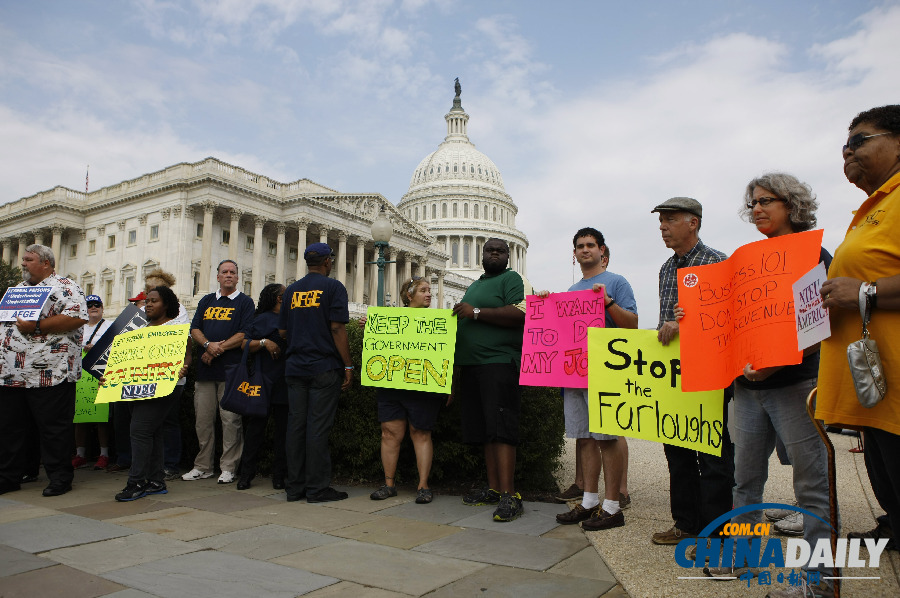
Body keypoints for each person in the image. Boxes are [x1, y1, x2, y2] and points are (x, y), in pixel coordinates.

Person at [686, 174, 833, 591]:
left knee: (811, 487)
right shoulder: (744, 258)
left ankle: (818, 580)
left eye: (767, 201)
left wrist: (775, 365)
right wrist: (691, 319)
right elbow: (729, 320)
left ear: (793, 204)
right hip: (748, 391)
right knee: (745, 480)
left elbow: (817, 324)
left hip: (794, 387)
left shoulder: (813, 254)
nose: (757, 209)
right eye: (752, 203)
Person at [816, 105, 900, 598]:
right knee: (887, 484)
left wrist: (864, 293)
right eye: (844, 145)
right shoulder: (871, 209)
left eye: (860, 140)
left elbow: (866, 287)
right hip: (876, 390)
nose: (848, 151)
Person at [650, 197, 735, 545]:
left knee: (713, 452)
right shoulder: (666, 269)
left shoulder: (717, 263)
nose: (663, 227)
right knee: (677, 448)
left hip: (712, 372)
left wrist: (683, 327)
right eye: (661, 222)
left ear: (693, 223)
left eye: (670, 220)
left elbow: (728, 320)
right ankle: (685, 522)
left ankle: (716, 529)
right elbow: (664, 324)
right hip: (674, 374)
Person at [553, 228, 638, 531]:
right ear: (574, 254)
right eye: (580, 246)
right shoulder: (572, 289)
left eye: (590, 245)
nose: (585, 250)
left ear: (602, 250)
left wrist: (609, 303)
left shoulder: (617, 282)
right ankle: (589, 501)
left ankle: (612, 505)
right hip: (575, 372)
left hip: (604, 370)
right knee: (585, 437)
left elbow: (632, 325)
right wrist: (545, 305)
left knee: (607, 437)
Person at [0, 244, 87, 497]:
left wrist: (37, 326)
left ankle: (60, 478)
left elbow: (77, 317)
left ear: (46, 263)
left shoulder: (65, 286)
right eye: (23, 259)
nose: (23, 263)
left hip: (51, 371)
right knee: (10, 428)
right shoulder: (16, 291)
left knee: (53, 429)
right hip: (12, 373)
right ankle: (9, 476)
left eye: (28, 259)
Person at [452, 238, 529, 522]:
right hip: (473, 366)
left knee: (502, 428)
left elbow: (519, 314)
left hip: (498, 363)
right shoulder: (476, 284)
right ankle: (495, 489)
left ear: (508, 256)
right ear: (482, 254)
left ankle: (510, 495)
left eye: (500, 251)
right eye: (490, 251)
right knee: (486, 430)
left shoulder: (512, 279)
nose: (494, 254)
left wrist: (474, 312)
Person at [279, 243, 353, 503]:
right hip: (323, 367)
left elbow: (283, 332)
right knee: (318, 428)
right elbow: (337, 329)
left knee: (296, 428)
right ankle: (317, 488)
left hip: (295, 367)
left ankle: (295, 488)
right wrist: (348, 365)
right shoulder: (334, 288)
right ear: (327, 262)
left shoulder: (291, 291)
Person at [363, 277, 445, 504]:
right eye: (423, 290)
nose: (429, 294)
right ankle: (388, 484)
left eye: (429, 290)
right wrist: (370, 327)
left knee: (421, 433)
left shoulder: (438, 321)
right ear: (409, 295)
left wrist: (450, 387)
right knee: (389, 434)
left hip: (424, 386)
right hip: (392, 386)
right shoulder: (390, 320)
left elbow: (447, 355)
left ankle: (423, 485)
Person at [113, 286, 190, 501]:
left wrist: (183, 366)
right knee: (152, 432)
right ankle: (155, 481)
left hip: (167, 386)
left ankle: (136, 482)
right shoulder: (138, 328)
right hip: (136, 386)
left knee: (139, 430)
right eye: (147, 301)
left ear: (166, 304)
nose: (148, 304)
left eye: (154, 301)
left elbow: (188, 354)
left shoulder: (175, 328)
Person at [185, 259, 254, 483]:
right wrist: (207, 345)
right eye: (224, 272)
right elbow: (195, 328)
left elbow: (244, 334)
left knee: (230, 421)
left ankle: (228, 467)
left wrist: (215, 349)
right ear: (217, 277)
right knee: (203, 421)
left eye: (233, 272)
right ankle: (203, 466)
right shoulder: (206, 301)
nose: (228, 275)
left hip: (231, 372)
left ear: (237, 277)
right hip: (205, 372)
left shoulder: (244, 302)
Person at [237, 283, 288, 491]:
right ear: (278, 299)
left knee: (282, 432)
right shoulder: (259, 319)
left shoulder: (288, 318)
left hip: (283, 380)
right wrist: (265, 342)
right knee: (255, 431)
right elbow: (244, 345)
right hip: (262, 380)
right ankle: (246, 474)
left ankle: (279, 475)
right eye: (286, 295)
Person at [141, 268, 186, 480]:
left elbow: (181, 343)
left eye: (157, 289)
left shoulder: (180, 312)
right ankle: (149, 467)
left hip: (170, 379)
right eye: (149, 289)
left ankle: (169, 465)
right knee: (146, 426)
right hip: (144, 378)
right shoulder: (140, 312)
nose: (151, 294)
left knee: (167, 422)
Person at [73, 294, 113, 470]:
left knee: (101, 418)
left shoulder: (109, 326)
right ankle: (80, 454)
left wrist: (96, 348)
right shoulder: (78, 327)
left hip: (100, 376)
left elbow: (115, 346)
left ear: (102, 308)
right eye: (90, 305)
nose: (93, 307)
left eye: (97, 304)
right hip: (81, 377)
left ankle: (104, 454)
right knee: (80, 417)